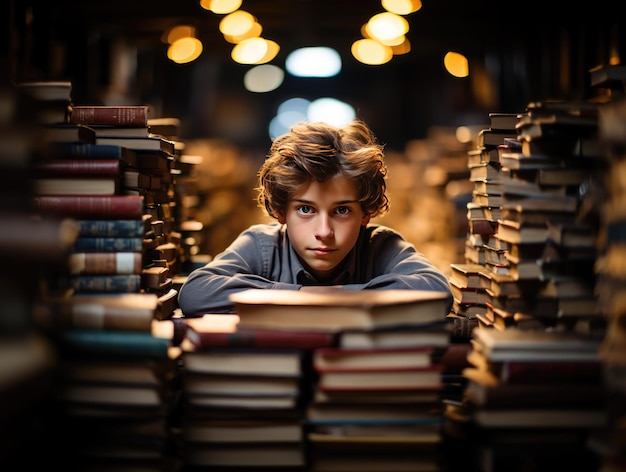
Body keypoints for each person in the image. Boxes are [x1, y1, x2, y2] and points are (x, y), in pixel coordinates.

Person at [178, 119, 453, 317]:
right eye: (306, 210)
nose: (324, 231)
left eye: (342, 210)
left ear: (366, 213)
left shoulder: (380, 246)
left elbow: (437, 292)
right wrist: (304, 294)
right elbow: (196, 293)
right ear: (281, 211)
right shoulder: (262, 246)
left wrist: (325, 296)